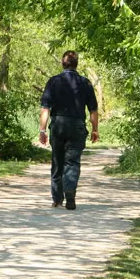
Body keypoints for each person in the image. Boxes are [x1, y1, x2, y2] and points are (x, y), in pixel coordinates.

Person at [38, 51, 99, 210]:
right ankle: (70, 191)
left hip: (58, 125)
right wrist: (95, 129)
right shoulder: (85, 83)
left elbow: (45, 108)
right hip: (77, 126)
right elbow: (93, 110)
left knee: (57, 161)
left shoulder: (53, 82)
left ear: (62, 64)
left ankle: (58, 199)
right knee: (72, 162)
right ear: (76, 64)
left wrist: (42, 130)